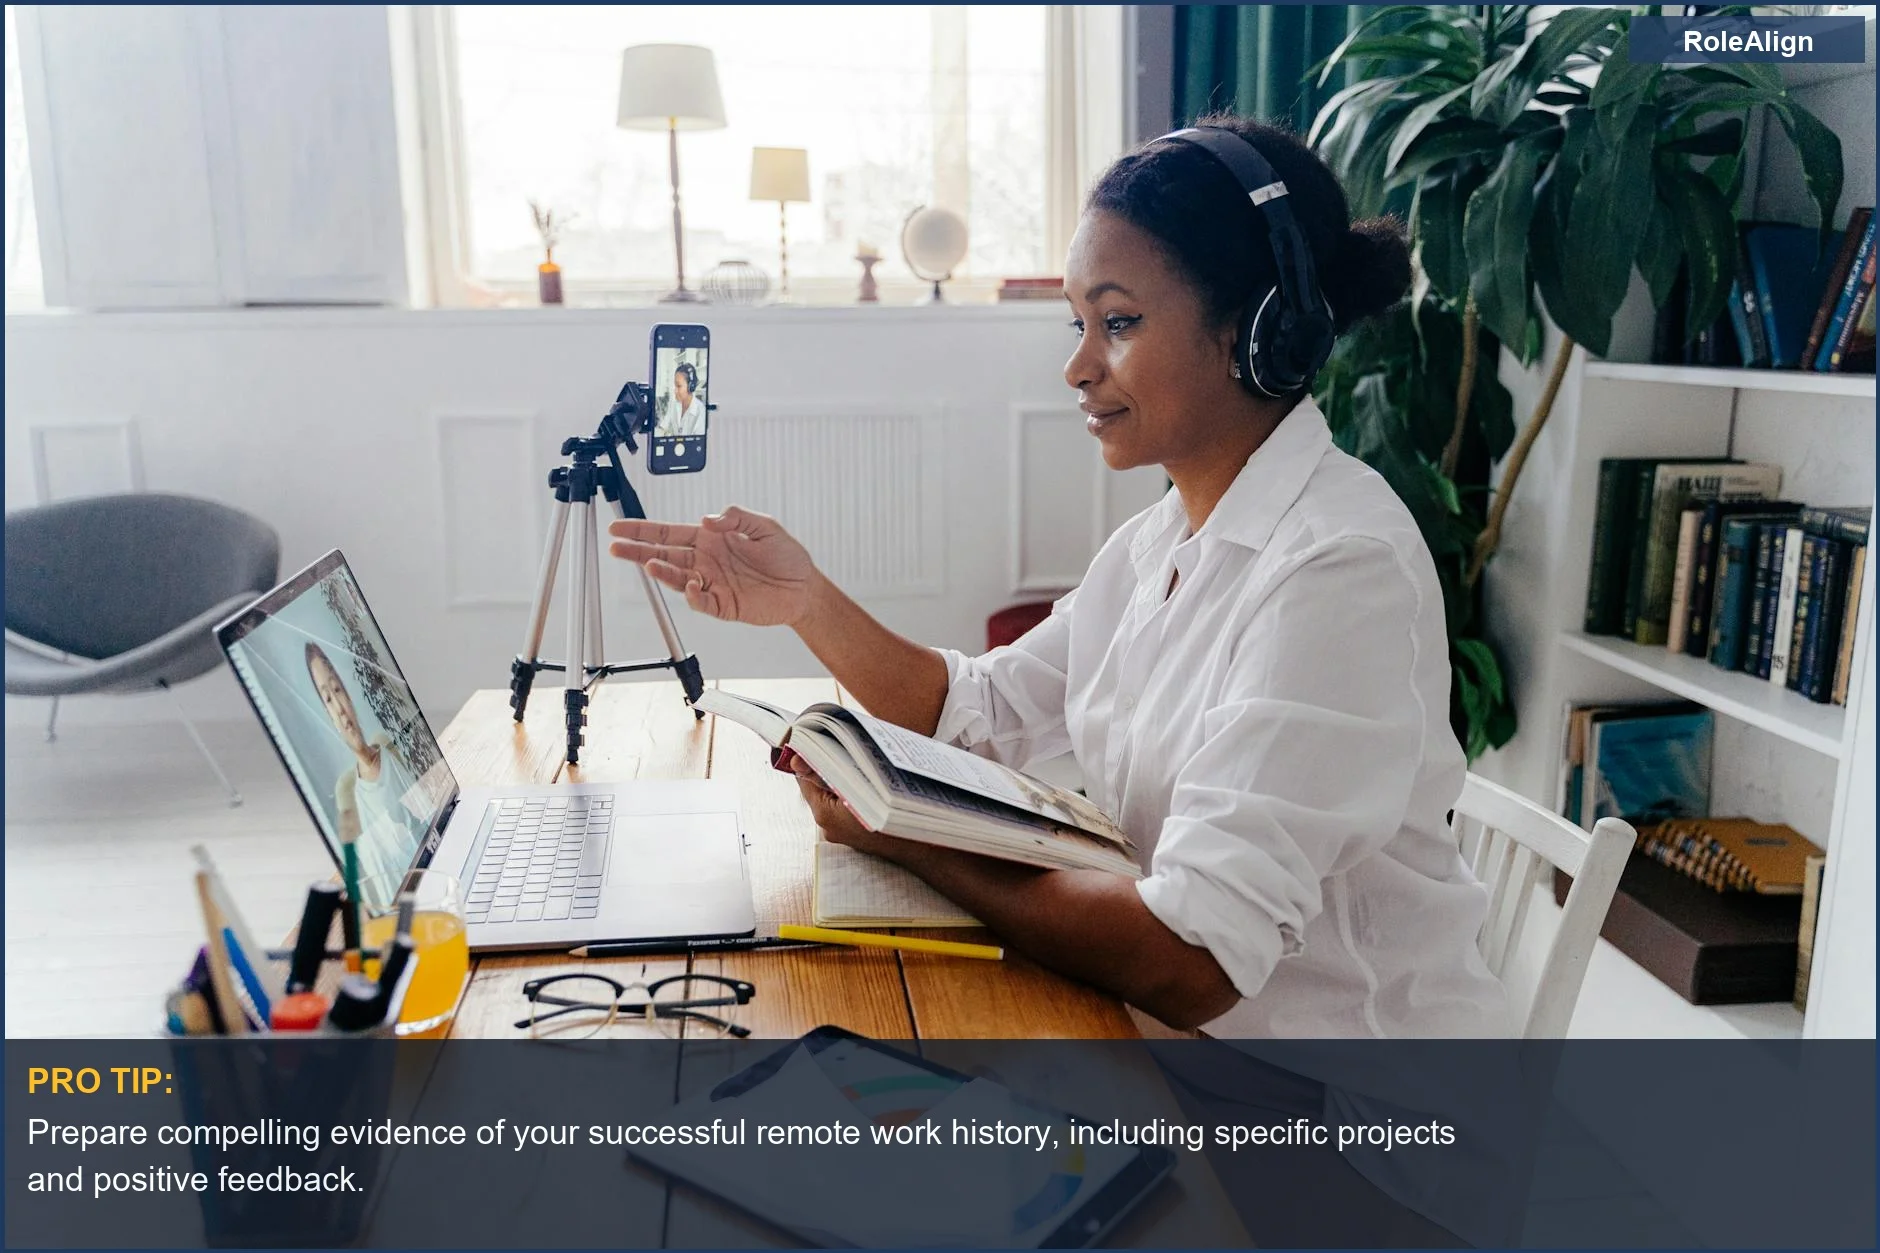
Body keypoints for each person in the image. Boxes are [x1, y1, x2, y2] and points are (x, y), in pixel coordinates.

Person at [305, 641, 427, 907]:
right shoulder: (348, 791)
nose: (338, 706)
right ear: (328, 715)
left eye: (337, 690)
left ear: (349, 695)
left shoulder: (386, 746)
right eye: (327, 698)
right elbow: (368, 882)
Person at [660, 361, 706, 437]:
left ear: (690, 387)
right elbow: (664, 426)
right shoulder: (674, 403)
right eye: (675, 386)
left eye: (679, 386)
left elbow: (697, 442)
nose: (675, 390)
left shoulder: (700, 410)